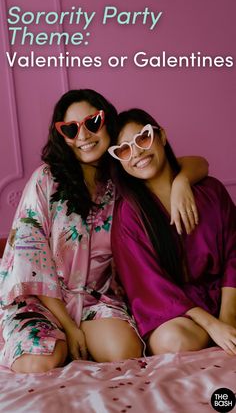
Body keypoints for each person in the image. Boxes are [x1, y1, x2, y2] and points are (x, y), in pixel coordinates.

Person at [0, 90, 208, 373]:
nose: (83, 135)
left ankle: (72, 344)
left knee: (126, 351)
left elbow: (192, 163)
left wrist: (182, 181)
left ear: (107, 121)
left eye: (92, 122)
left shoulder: (123, 176)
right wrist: (71, 329)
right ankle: (51, 342)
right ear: (63, 136)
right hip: (40, 300)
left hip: (94, 299)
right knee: (41, 361)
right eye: (71, 129)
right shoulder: (46, 180)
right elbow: (32, 260)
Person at [109, 108, 236, 356]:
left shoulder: (211, 191)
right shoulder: (129, 216)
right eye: (124, 149)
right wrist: (212, 325)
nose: (137, 152)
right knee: (172, 340)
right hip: (179, 314)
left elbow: (234, 252)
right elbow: (150, 286)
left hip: (227, 296)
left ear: (162, 136)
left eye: (143, 138)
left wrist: (228, 317)